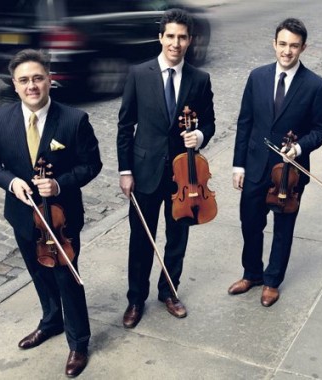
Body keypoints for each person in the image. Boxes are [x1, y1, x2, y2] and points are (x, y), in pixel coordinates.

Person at [0, 49, 102, 377]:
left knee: (67, 277)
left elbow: (92, 165)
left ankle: (78, 342)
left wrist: (59, 185)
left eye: (37, 78)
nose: (31, 85)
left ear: (49, 79)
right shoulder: (0, 118)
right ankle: (51, 322)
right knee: (38, 272)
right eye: (24, 80)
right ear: (14, 85)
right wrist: (11, 182)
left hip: (62, 218)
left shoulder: (74, 119)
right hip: (22, 215)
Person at [117, 8, 215, 328]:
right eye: (170, 36)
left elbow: (209, 123)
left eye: (182, 37)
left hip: (183, 177)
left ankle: (169, 292)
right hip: (144, 172)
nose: (176, 43)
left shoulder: (200, 80)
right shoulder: (138, 74)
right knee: (141, 240)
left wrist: (198, 135)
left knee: (178, 238)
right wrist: (125, 171)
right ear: (161, 37)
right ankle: (135, 299)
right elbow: (124, 126)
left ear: (190, 40)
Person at [228, 18, 322, 307]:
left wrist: (298, 147)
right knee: (250, 224)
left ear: (303, 48)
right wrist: (238, 165)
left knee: (283, 229)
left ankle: (272, 280)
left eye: (294, 46)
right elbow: (245, 123)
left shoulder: (314, 85)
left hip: (289, 173)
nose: (287, 51)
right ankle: (252, 273)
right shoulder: (257, 77)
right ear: (274, 43)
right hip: (255, 166)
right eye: (283, 44)